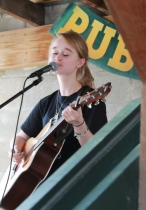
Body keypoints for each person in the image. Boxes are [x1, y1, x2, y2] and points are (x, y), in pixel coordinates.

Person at [10, 30, 108, 178]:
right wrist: (15, 149)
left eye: (66, 54)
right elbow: (20, 137)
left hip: (74, 183)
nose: (58, 58)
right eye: (54, 53)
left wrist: (79, 123)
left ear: (80, 62)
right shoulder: (46, 103)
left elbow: (97, 151)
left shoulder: (93, 101)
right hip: (41, 183)